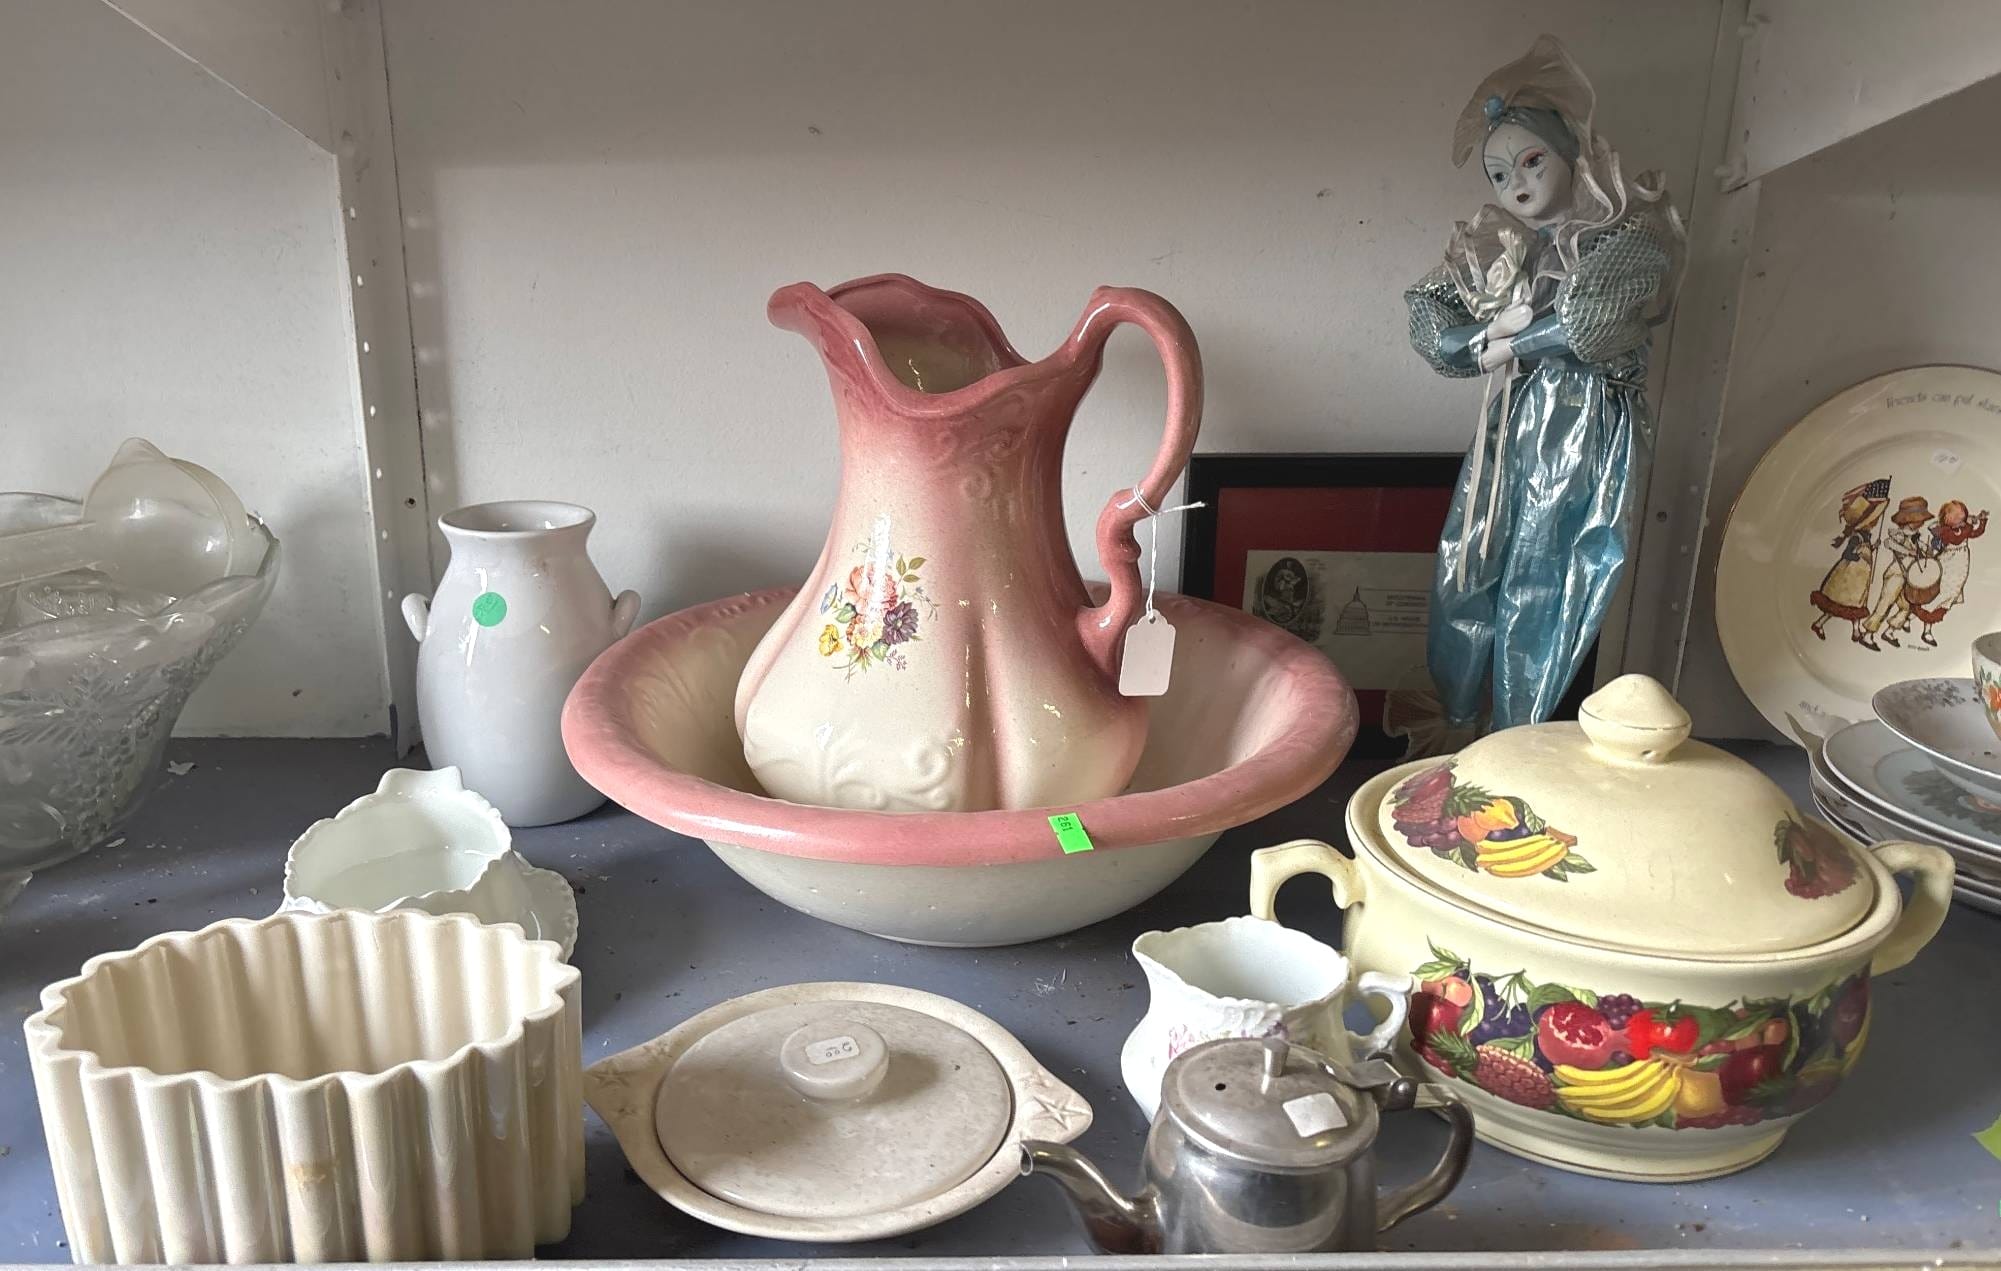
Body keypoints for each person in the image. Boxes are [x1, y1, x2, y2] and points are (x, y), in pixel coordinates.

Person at [1398, 35, 1684, 748]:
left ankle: (1517, 741)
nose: (1518, 185)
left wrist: (1503, 342)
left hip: (1583, 420)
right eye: (1500, 174)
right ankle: (1457, 725)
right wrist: (1481, 338)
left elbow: (1587, 324)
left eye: (1531, 161)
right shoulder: (1503, 244)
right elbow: (1429, 318)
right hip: (1510, 418)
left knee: (1546, 574)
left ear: (1569, 154)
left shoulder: (1627, 230)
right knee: (1470, 558)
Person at [1809, 481, 1887, 644]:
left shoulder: (1865, 537)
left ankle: (1855, 631)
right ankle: (1819, 624)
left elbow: (1866, 551)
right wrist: (1859, 555)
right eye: (1872, 521)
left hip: (1858, 581)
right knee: (1839, 606)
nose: (1874, 523)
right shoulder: (1856, 537)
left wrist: (1873, 547)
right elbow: (1848, 554)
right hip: (1848, 579)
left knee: (1855, 607)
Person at [1911, 499, 1988, 645]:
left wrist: (1982, 521)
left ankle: (1915, 620)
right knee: (1939, 595)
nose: (1961, 518)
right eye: (1956, 515)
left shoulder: (1963, 528)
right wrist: (1969, 524)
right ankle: (1925, 629)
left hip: (1960, 569)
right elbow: (1957, 539)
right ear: (1946, 517)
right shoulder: (1944, 531)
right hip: (1948, 565)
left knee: (1950, 597)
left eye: (1962, 514)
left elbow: (1976, 533)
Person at [1861, 497, 1932, 651]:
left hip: (1907, 578)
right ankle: (1868, 635)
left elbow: (1921, 548)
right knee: (1884, 606)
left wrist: (1925, 550)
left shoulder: (1915, 536)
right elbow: (1888, 543)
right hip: (1896, 574)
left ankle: (1890, 631)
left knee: (1907, 608)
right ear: (1911, 520)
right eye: (1920, 519)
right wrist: (1908, 551)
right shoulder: (1899, 534)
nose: (1922, 523)